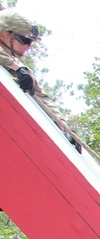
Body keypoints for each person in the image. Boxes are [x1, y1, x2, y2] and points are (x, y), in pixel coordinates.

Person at [0, 9, 76, 144]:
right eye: (23, 40)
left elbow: (42, 98)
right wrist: (15, 66)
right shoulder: (16, 68)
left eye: (30, 42)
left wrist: (64, 128)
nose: (27, 47)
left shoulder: (22, 72)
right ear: (3, 35)